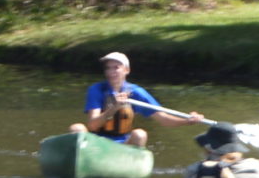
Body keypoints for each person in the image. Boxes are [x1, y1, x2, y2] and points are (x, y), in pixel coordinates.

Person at [70, 51, 201, 147]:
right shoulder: (97, 90)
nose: (111, 72)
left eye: (116, 68)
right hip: (97, 143)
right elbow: (92, 125)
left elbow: (164, 120)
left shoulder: (136, 92)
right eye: (108, 68)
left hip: (123, 145)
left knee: (140, 134)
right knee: (77, 129)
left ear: (126, 70)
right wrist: (114, 108)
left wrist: (187, 121)